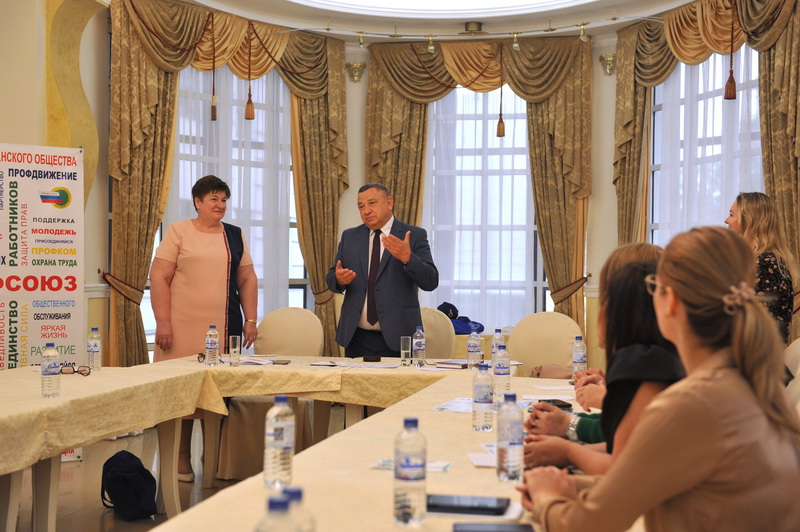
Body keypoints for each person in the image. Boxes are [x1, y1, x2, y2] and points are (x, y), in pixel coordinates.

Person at [520, 226, 800, 531]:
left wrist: (546, 497)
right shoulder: (751, 382)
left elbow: (589, 524)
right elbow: (646, 480)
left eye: (655, 286)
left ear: (672, 301)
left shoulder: (690, 403)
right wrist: (574, 486)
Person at [523, 262, 683, 474]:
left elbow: (626, 465)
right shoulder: (659, 361)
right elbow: (626, 444)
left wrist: (569, 447)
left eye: (605, 301)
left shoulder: (644, 366)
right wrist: (569, 428)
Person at [150, 175, 258, 481]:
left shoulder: (234, 235)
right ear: (197, 202)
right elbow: (158, 277)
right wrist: (163, 322)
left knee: (219, 392)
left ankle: (215, 458)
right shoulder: (178, 231)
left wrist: (251, 319)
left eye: (224, 200)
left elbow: (247, 278)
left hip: (223, 326)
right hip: (180, 328)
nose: (220, 205)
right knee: (182, 393)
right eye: (214, 199)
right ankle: (181, 457)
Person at [526, 243, 664, 445]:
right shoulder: (651, 355)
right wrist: (609, 390)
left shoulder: (649, 361)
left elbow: (627, 442)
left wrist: (570, 428)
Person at [326, 183, 438, 358]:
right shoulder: (350, 237)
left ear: (389, 202)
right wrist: (339, 280)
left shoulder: (413, 235)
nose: (366, 211)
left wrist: (409, 258)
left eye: (372, 203)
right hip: (356, 337)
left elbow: (431, 281)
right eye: (361, 206)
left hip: (399, 337)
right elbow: (332, 278)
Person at [725, 192, 796, 343]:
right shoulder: (764, 261)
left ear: (749, 221)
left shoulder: (765, 264)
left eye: (731, 215)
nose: (726, 220)